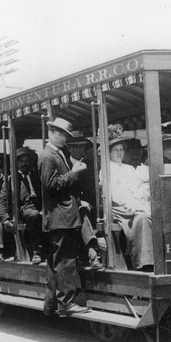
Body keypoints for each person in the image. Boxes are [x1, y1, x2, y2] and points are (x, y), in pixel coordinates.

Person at [39, 117, 91, 316]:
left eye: (66, 135)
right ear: (51, 132)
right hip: (61, 217)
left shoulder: (58, 153)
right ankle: (67, 303)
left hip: (63, 215)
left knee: (56, 262)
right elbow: (50, 185)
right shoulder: (47, 156)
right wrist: (74, 173)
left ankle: (50, 304)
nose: (64, 138)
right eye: (61, 134)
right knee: (65, 261)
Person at [102, 124, 153, 271]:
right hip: (119, 207)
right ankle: (143, 263)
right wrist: (133, 207)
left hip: (134, 203)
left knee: (149, 215)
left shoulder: (129, 168)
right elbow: (114, 193)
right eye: (115, 150)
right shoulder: (106, 169)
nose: (119, 153)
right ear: (109, 153)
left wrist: (140, 202)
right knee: (142, 219)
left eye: (121, 150)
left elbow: (136, 189)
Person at [0, 147, 43, 264]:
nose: (24, 164)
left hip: (39, 208)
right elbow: (1, 202)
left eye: (27, 161)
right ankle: (36, 251)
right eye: (21, 161)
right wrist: (5, 219)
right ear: (16, 164)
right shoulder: (11, 180)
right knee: (34, 215)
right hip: (23, 210)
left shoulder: (36, 177)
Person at [67, 131, 103, 269]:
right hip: (73, 205)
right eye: (76, 147)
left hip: (93, 202)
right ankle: (92, 252)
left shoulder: (90, 164)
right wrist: (79, 200)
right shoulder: (65, 164)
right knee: (82, 211)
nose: (79, 150)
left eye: (81, 147)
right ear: (70, 149)